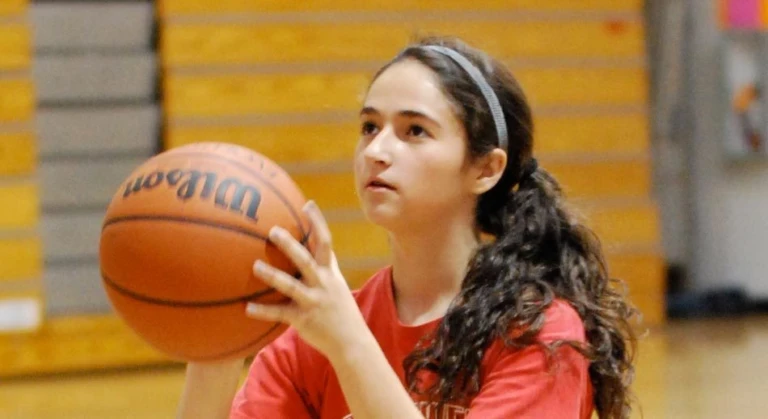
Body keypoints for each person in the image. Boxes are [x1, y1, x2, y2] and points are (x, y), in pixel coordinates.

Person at [176, 36, 638, 419]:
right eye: (369, 126)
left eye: (414, 130)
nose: (377, 150)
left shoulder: (537, 332)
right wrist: (215, 347)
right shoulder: (315, 335)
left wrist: (350, 345)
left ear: (485, 169)